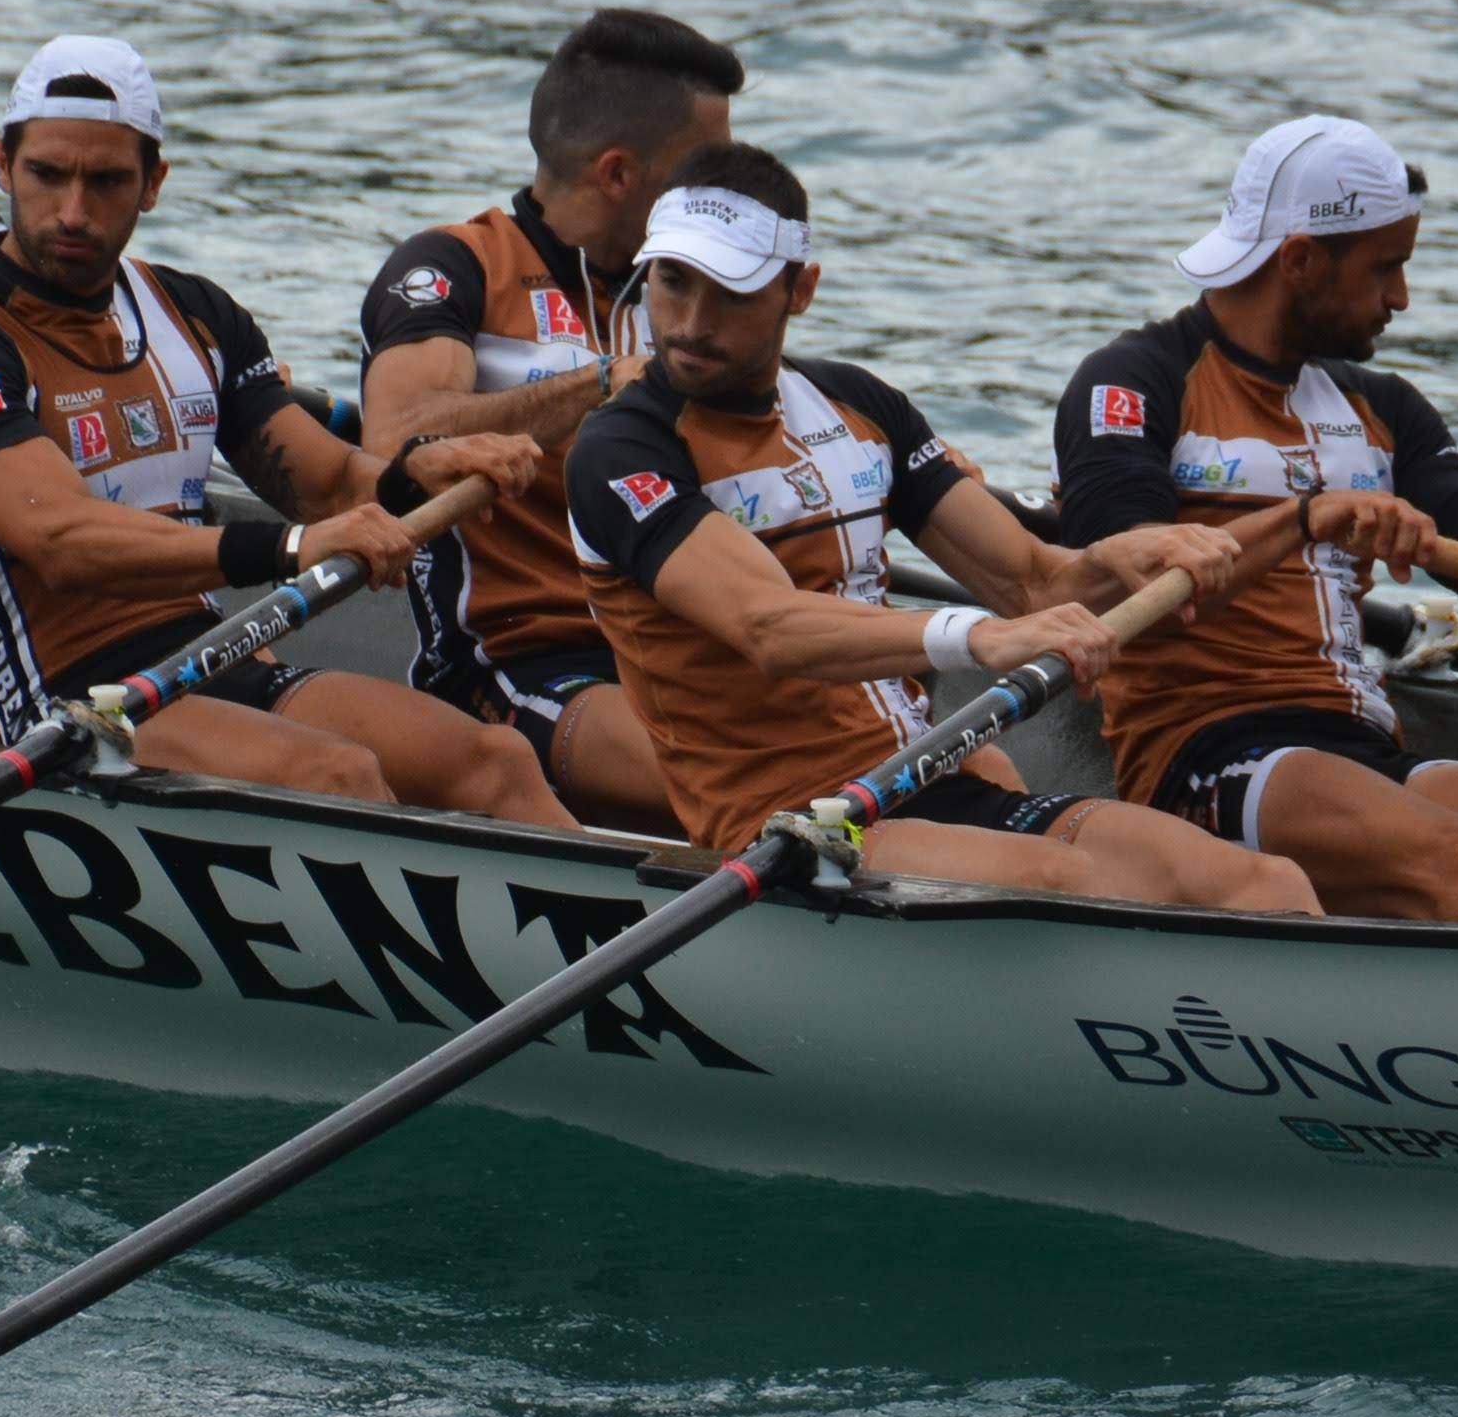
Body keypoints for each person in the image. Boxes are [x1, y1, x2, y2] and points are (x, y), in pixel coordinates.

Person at [563, 145, 1319, 913]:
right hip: (792, 822)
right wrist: (976, 637)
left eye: (731, 293)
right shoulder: (623, 450)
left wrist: (1123, 556)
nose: (690, 323)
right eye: (672, 282)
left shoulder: (858, 405)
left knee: (1261, 882)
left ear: (802, 290)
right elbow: (769, 628)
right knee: (1082, 890)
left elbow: (1032, 579)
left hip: (926, 773)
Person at [0, 34, 571, 825]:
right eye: (47, 175)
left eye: (106, 181)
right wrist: (285, 552)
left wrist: (420, 471)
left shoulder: (195, 314)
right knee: (334, 774)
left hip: (214, 658)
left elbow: (328, 485)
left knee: (494, 758)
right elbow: (60, 542)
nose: (72, 211)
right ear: (2, 165)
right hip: (71, 704)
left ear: (154, 184)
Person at [1054, 116, 1458, 928]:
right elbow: (1117, 588)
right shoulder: (1133, 382)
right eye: (1386, 268)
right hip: (1211, 755)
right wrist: (1308, 519)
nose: (1401, 297)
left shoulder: (1383, 409)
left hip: (1361, 745)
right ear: (1298, 260)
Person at [357, 9, 741, 830]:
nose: (722, 192)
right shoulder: (453, 267)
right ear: (616, 174)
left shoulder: (687, 294)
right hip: (523, 666)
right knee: (746, 782)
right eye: (703, 169)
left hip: (681, 650)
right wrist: (603, 383)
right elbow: (395, 439)